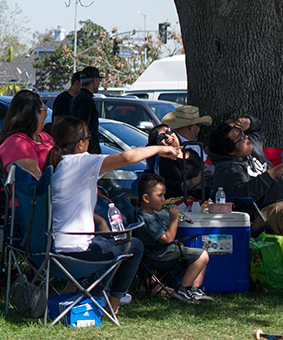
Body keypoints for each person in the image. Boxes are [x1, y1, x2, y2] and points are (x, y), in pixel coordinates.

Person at [45, 115, 182, 314]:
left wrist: (99, 219)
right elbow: (128, 157)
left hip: (54, 248)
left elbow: (65, 206)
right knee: (134, 245)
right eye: (89, 137)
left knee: (108, 240)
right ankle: (113, 304)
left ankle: (74, 296)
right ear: (81, 143)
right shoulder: (82, 162)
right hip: (76, 252)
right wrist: (161, 149)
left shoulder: (58, 165)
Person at [209, 120, 283, 236]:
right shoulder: (226, 170)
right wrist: (271, 174)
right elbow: (244, 194)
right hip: (264, 214)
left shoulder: (252, 148)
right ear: (230, 151)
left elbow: (257, 128)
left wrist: (249, 122)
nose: (246, 136)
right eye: (240, 137)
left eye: (242, 132)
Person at [135, 173, 214, 303]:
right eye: (159, 196)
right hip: (158, 256)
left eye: (164, 195)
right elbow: (167, 239)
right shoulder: (147, 217)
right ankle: (184, 289)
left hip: (163, 252)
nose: (163, 199)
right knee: (202, 255)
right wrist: (174, 220)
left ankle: (195, 289)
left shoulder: (152, 214)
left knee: (201, 255)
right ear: (146, 198)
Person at [0, 89, 55, 177]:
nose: (46, 114)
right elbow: (34, 181)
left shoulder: (45, 137)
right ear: (33, 113)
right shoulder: (16, 144)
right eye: (44, 109)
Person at [148, 124, 204, 199]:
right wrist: (198, 179)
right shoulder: (165, 161)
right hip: (180, 205)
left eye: (169, 132)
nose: (168, 137)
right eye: (161, 137)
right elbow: (176, 188)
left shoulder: (192, 153)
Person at [66, 66, 102, 155]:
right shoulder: (86, 100)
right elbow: (85, 126)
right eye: (99, 81)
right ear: (94, 80)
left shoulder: (77, 98)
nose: (99, 84)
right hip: (88, 150)